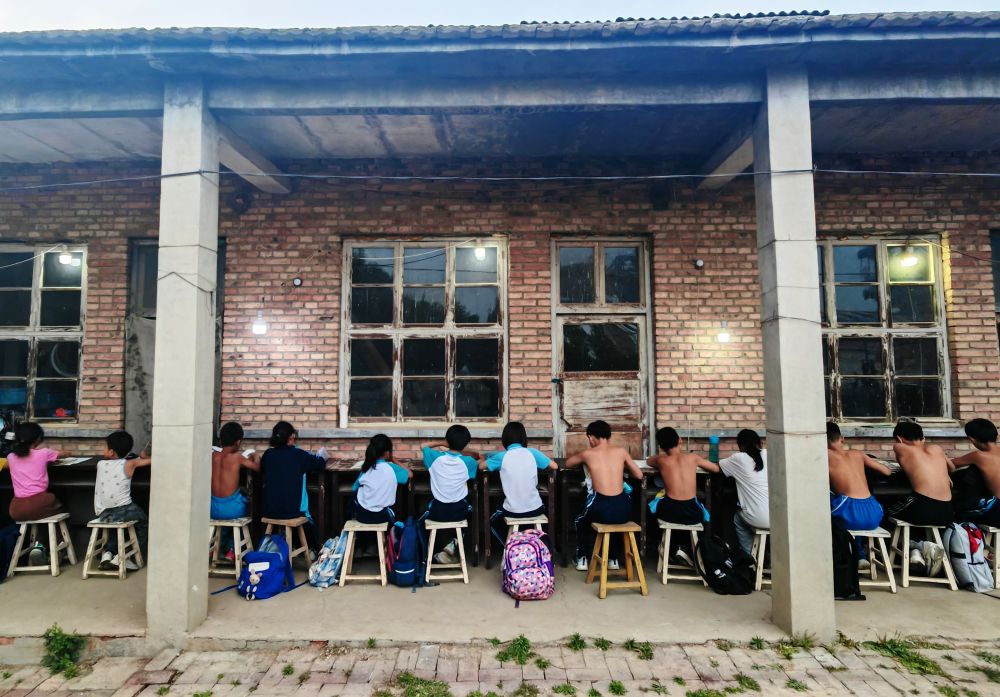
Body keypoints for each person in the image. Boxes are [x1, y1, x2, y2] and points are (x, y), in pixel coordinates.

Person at [565, 420, 644, 571]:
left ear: (590, 437)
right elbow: (639, 475)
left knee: (580, 519)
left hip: (601, 505)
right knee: (613, 519)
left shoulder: (588, 454)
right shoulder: (621, 452)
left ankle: (582, 558)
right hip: (623, 509)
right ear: (609, 436)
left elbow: (568, 463)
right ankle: (612, 559)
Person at [886, 420, 953, 575]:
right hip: (947, 512)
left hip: (923, 507)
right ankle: (918, 551)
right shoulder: (936, 449)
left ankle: (918, 546)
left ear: (899, 438)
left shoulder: (900, 447)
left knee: (885, 513)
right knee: (910, 510)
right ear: (923, 437)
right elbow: (952, 467)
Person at [260, 421, 329, 551]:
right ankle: (313, 549)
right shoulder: (298, 455)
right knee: (307, 518)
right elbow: (319, 464)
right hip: (292, 512)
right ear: (291, 437)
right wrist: (323, 457)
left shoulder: (268, 455)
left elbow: (262, 469)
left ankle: (287, 546)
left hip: (270, 511)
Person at [485, 421, 556, 546]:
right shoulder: (533, 453)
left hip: (512, 511)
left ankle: (513, 546)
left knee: (492, 521)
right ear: (524, 438)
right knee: (540, 504)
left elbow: (481, 466)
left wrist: (490, 457)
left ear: (505, 439)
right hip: (535, 509)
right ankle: (528, 545)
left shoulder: (502, 456)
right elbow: (554, 466)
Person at [646, 427, 710, 564]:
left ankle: (669, 549)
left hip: (670, 512)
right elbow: (715, 468)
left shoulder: (662, 460)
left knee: (653, 506)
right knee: (700, 511)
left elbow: (648, 461)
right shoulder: (693, 458)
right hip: (692, 513)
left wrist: (660, 456)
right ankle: (688, 550)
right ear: (679, 440)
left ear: (661, 447)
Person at [702, 429, 769, 556]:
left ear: (741, 446)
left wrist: (696, 460)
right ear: (759, 443)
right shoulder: (768, 454)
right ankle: (764, 555)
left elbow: (716, 468)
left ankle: (749, 557)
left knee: (737, 518)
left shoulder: (739, 458)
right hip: (778, 518)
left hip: (758, 518)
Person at [420, 425, 479, 564]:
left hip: (437, 511)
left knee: (421, 516)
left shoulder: (434, 458)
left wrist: (443, 442)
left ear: (447, 440)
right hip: (459, 512)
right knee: (472, 512)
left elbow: (423, 446)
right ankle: (453, 543)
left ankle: (426, 555)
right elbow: (476, 457)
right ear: (466, 444)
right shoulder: (469, 462)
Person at [6, 422, 64, 564]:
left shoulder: (10, 457)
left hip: (16, 509)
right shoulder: (43, 453)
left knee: (44, 514)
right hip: (39, 502)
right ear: (38, 439)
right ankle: (56, 546)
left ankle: (39, 545)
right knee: (58, 509)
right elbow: (66, 454)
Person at [94, 430, 152, 570]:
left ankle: (108, 553)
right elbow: (152, 461)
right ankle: (126, 557)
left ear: (111, 452)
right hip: (124, 510)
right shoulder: (130, 464)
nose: (103, 449)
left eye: (105, 447)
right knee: (143, 522)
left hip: (103, 514)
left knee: (115, 527)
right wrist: (144, 457)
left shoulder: (100, 464)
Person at [827, 421, 892, 532]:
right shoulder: (857, 454)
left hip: (849, 513)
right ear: (842, 439)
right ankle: (859, 543)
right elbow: (887, 472)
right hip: (874, 513)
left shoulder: (825, 455)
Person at [949, 418, 1000, 527]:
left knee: (956, 510)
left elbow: (950, 464)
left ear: (972, 440)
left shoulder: (978, 456)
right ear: (996, 436)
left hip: (997, 511)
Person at [352, 434, 411, 525]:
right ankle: (394, 528)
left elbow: (354, 488)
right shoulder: (392, 468)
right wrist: (394, 460)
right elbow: (410, 474)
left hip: (362, 516)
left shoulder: (366, 467)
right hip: (382, 517)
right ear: (387, 453)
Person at [211, 422, 259, 522]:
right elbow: (257, 468)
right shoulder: (237, 458)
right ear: (238, 442)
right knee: (247, 498)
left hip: (213, 509)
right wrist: (256, 456)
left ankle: (224, 532)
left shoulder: (213, 456)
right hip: (232, 511)